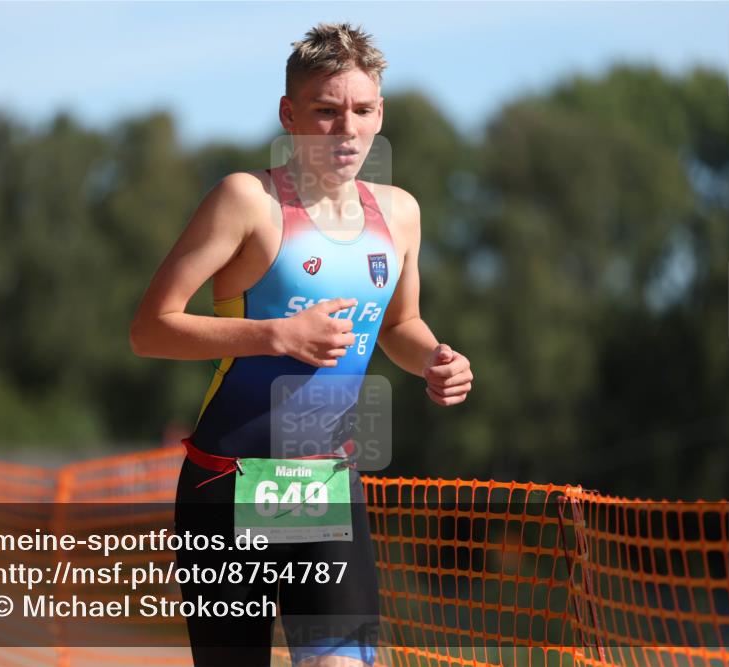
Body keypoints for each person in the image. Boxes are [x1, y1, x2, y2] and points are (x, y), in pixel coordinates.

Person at [130, 22, 473, 667]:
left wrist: (435, 359)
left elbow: (399, 325)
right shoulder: (246, 200)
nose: (347, 129)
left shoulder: (399, 213)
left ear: (380, 114)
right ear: (289, 115)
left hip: (320, 482)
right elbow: (150, 328)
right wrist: (275, 335)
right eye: (326, 111)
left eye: (363, 110)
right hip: (228, 481)